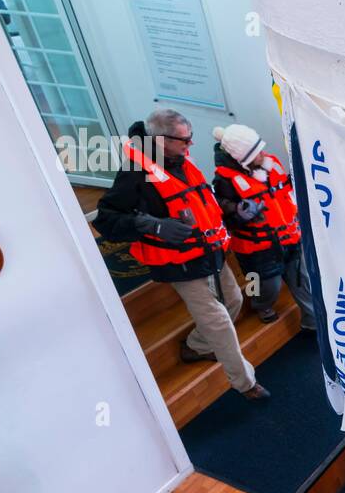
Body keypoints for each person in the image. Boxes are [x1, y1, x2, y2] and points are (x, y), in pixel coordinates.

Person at [95, 109, 270, 401]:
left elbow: (202, 197)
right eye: (185, 141)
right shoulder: (135, 172)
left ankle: (196, 347)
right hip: (180, 263)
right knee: (219, 323)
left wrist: (232, 209)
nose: (190, 146)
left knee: (236, 300)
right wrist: (153, 225)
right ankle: (245, 383)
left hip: (210, 251)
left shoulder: (180, 160)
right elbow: (106, 219)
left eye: (191, 139)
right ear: (161, 141)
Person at [210, 123, 317, 331]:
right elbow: (222, 215)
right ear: (242, 158)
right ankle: (261, 305)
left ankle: (312, 323)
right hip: (257, 250)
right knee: (262, 285)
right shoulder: (224, 181)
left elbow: (286, 191)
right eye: (256, 152)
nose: (262, 154)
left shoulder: (272, 164)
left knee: (302, 281)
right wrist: (238, 211)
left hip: (290, 239)